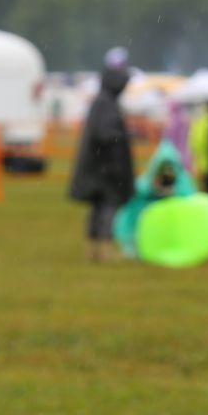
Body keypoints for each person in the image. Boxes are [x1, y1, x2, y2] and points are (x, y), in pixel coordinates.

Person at [69, 49, 135, 263]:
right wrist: (116, 165)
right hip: (105, 171)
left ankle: (93, 251)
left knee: (97, 210)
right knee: (107, 209)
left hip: (96, 169)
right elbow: (108, 137)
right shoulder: (107, 104)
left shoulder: (101, 102)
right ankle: (104, 251)